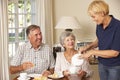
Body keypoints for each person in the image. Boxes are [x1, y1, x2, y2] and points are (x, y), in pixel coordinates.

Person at [79, 0, 120, 80]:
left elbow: (115, 52)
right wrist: (87, 47)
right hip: (101, 64)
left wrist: (92, 52)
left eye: (93, 16)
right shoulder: (99, 24)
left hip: (114, 67)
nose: (92, 19)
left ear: (102, 13)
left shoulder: (118, 27)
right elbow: (99, 40)